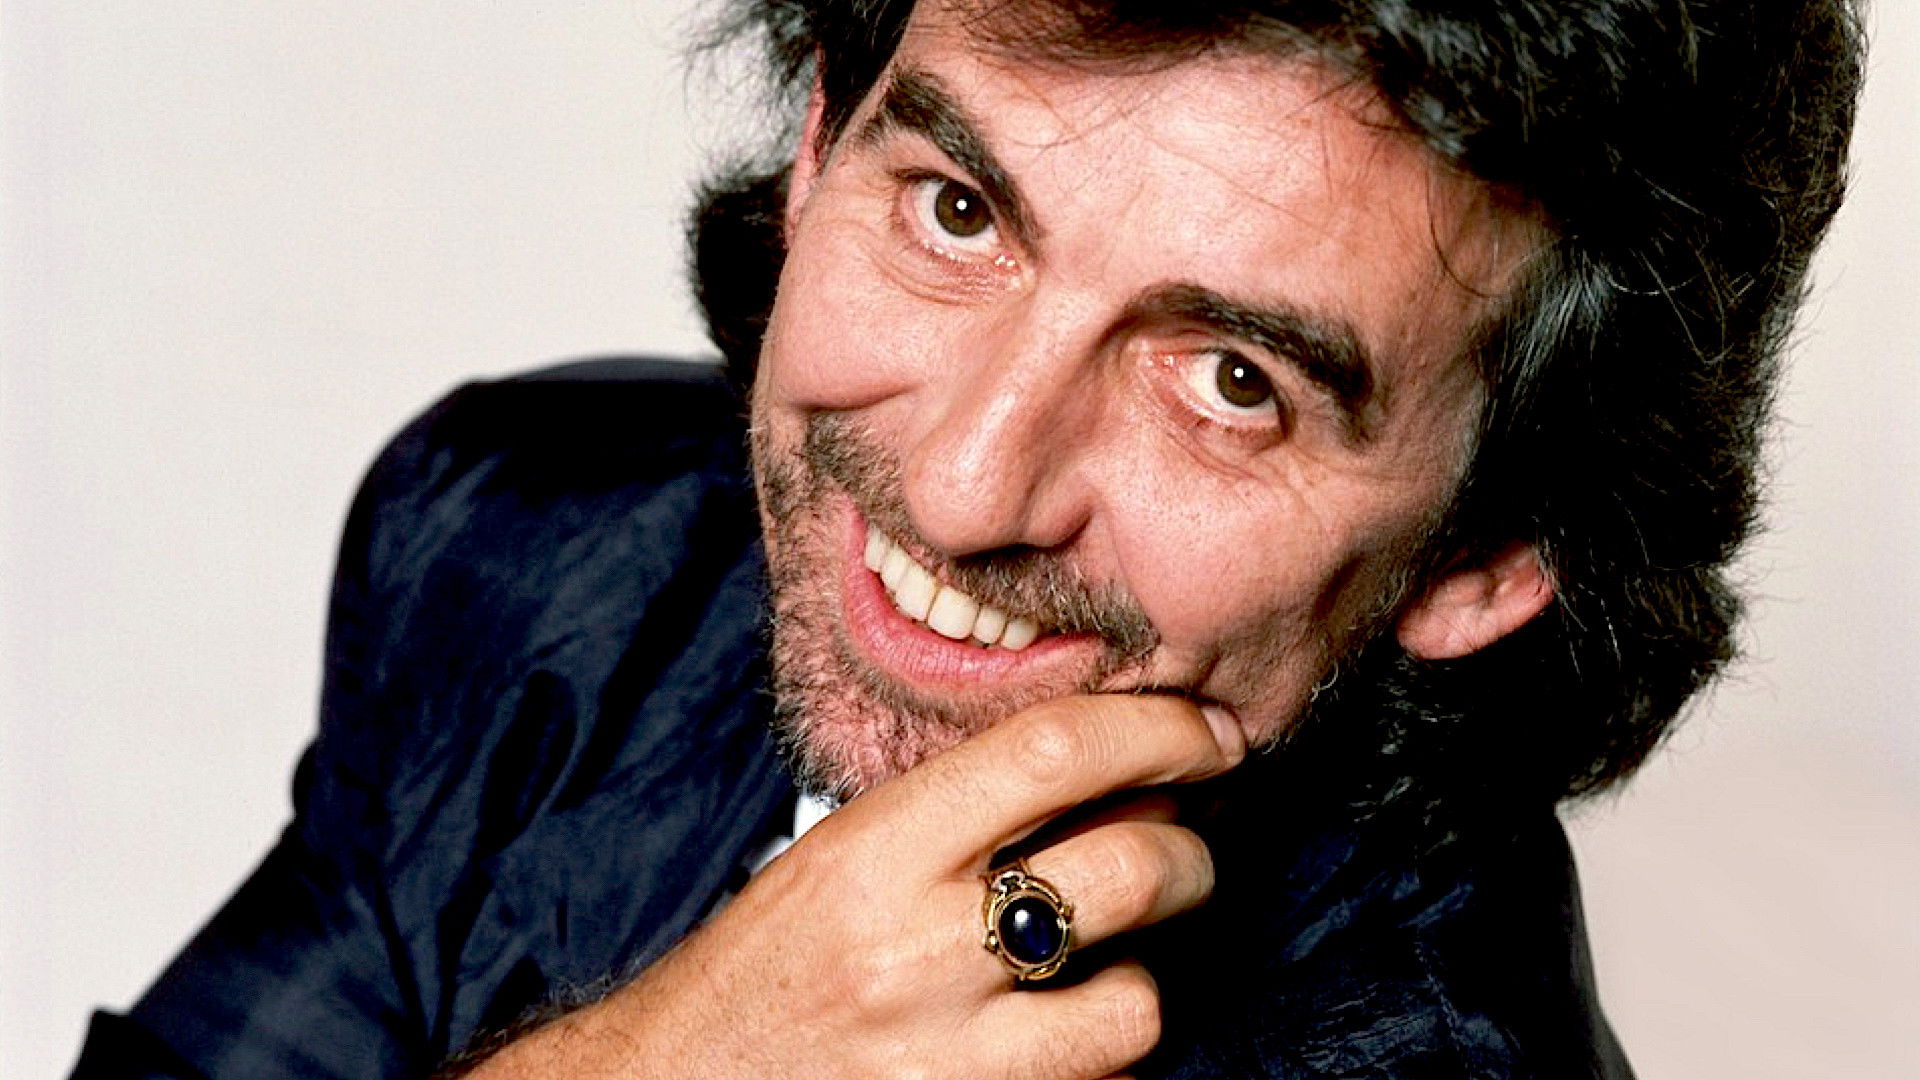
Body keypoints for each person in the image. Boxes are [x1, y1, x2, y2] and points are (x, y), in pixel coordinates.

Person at [69, 0, 1862, 1077]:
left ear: (1489, 558)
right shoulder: (526, 545)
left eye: (1231, 381)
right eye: (955, 211)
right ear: (816, 142)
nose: (959, 491)